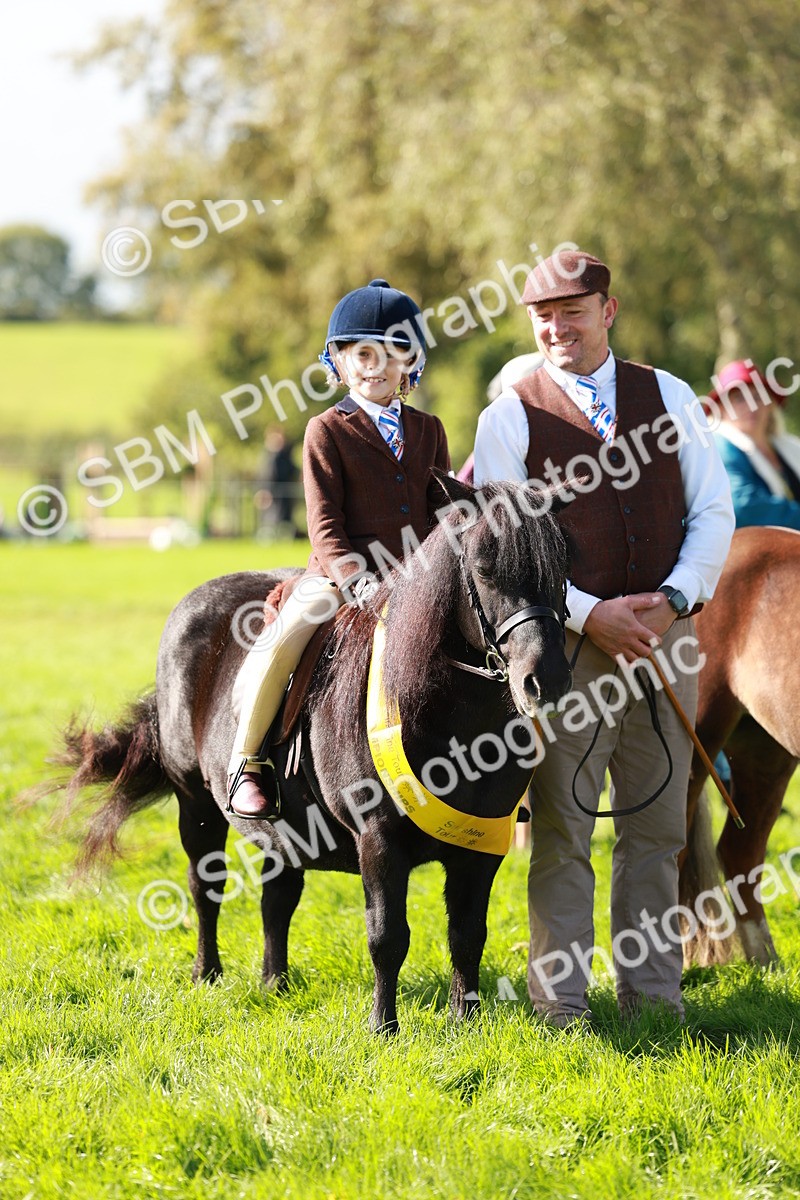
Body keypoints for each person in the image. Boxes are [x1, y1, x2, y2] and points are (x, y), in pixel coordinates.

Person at [474, 248, 735, 1026]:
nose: (557, 328)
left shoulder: (674, 395)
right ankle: (560, 1007)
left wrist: (675, 597)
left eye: (572, 312)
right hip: (567, 653)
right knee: (563, 830)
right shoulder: (508, 415)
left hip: (667, 644)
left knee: (658, 831)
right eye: (542, 317)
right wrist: (591, 613)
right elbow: (501, 550)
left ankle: (653, 1000)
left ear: (607, 312)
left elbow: (713, 512)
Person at [228, 278, 450, 819]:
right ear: (340, 361)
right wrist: (358, 580)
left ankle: (488, 774)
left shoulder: (430, 429)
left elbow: (445, 508)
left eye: (391, 353)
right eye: (362, 354)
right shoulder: (325, 430)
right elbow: (325, 524)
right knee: (296, 625)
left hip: (421, 575)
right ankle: (248, 760)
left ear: (410, 363)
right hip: (341, 576)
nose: (376, 366)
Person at [708, 359, 800, 530]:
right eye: (739, 399)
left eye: (757, 397)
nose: (751, 406)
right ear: (721, 408)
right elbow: (743, 506)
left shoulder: (789, 448)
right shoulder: (722, 447)